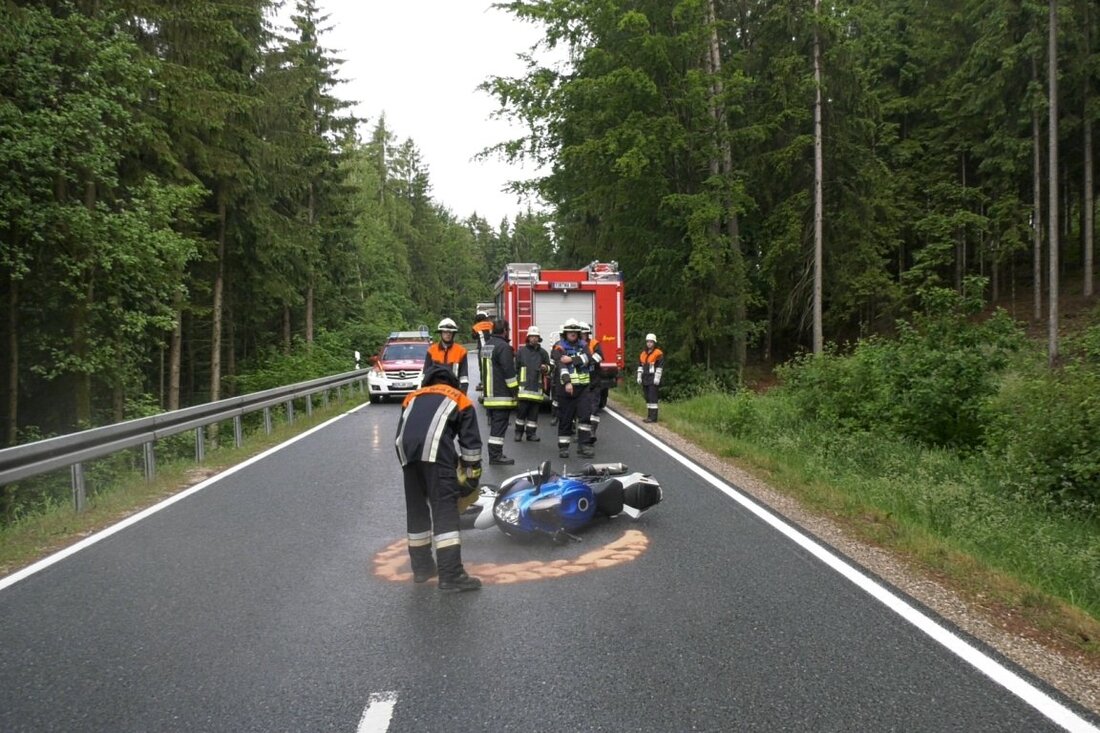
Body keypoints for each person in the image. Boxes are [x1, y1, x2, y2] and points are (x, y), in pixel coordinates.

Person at [394, 363, 483, 592]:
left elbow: (404, 432)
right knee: (445, 512)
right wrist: (471, 478)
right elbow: (471, 447)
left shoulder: (412, 397)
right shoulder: (459, 399)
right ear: (452, 382)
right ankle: (451, 576)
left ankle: (422, 568)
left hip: (407, 455)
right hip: (435, 456)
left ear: (427, 382)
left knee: (417, 511)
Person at [552, 319, 595, 459]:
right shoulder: (558, 347)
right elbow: (560, 365)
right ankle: (563, 447)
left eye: (575, 331)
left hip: (583, 388)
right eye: (570, 331)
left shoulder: (583, 345)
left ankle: (584, 446)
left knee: (585, 417)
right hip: (566, 389)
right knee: (566, 418)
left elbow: (589, 358)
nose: (573, 333)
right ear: (565, 333)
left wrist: (572, 359)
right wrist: (567, 382)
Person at [483, 318, 519, 464]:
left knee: (495, 427)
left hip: (489, 394)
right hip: (501, 395)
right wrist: (515, 391)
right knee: (499, 428)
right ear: (504, 331)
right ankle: (495, 456)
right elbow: (508, 371)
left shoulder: (487, 345)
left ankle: (495, 454)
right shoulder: (503, 347)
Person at [514, 326, 550, 442]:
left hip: (536, 389)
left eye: (536, 336)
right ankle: (518, 433)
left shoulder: (543, 353)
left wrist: (546, 368)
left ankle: (531, 434)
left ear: (539, 338)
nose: (534, 338)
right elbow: (515, 369)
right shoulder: (521, 352)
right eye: (532, 336)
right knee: (521, 413)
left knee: (533, 415)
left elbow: (550, 368)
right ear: (528, 338)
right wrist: (515, 387)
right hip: (523, 390)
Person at [424, 317, 469, 393]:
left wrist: (462, 393)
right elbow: (425, 374)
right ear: (441, 333)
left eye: (450, 332)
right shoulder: (431, 351)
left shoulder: (461, 351)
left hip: (454, 392)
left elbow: (464, 377)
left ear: (453, 334)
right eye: (445, 332)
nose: (448, 334)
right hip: (435, 392)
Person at [579, 322, 604, 443]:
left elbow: (600, 356)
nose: (583, 335)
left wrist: (588, 361)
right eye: (581, 333)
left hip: (594, 381)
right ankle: (581, 432)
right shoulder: (576, 345)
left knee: (594, 408)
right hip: (580, 382)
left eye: (585, 333)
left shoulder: (594, 343)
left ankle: (592, 432)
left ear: (588, 333)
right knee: (581, 409)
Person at [637, 333, 664, 423]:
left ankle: (653, 417)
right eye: (648, 342)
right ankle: (649, 416)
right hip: (645, 378)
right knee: (647, 398)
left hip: (653, 378)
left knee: (653, 398)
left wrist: (657, 378)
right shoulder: (643, 354)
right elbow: (640, 366)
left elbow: (659, 367)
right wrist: (639, 376)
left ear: (654, 343)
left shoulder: (658, 353)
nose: (649, 343)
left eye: (651, 342)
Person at [471, 311, 494, 391]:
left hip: (482, 349)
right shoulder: (491, 324)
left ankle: (483, 383)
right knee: (492, 366)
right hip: (492, 348)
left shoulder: (475, 327)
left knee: (483, 366)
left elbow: (474, 337)